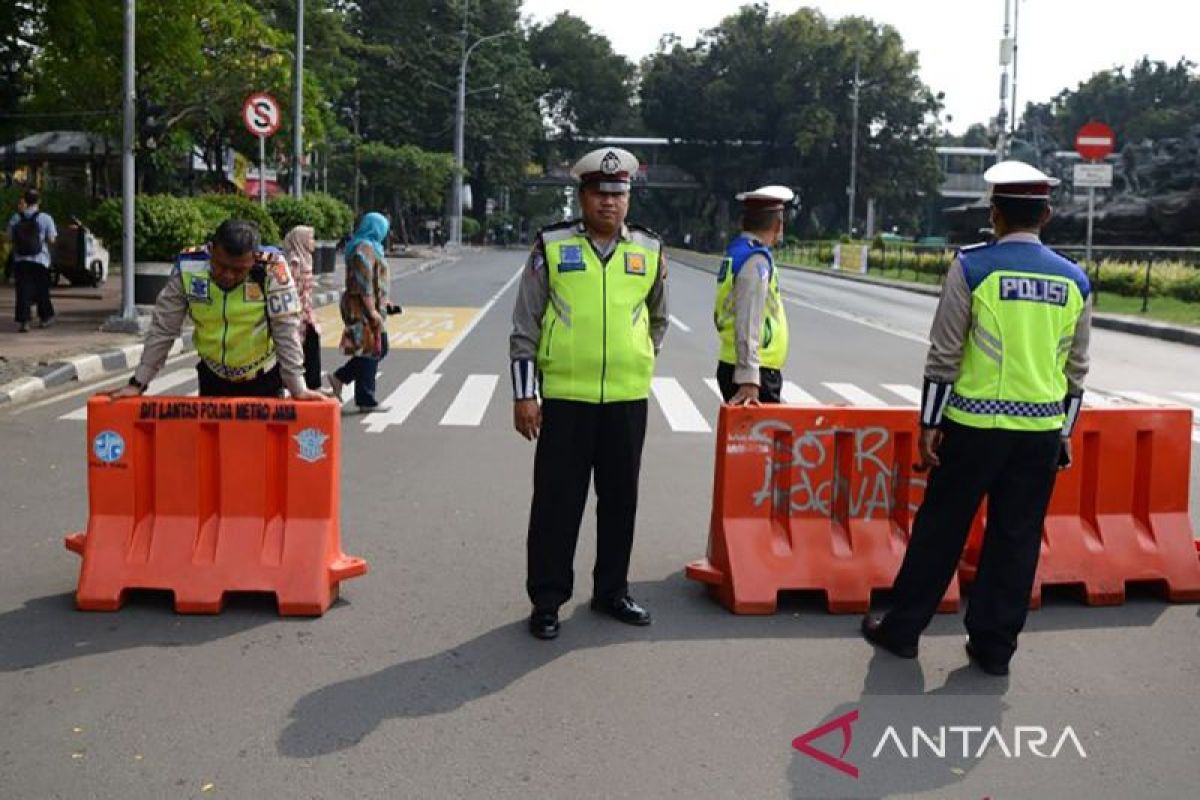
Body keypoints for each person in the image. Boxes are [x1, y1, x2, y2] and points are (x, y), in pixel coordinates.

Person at [861, 161, 1092, 677]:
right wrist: (1064, 431)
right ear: (1047, 215)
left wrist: (928, 423)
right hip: (1037, 434)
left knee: (941, 529)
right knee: (1015, 539)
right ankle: (993, 649)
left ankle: (902, 631)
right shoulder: (1075, 280)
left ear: (994, 214)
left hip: (971, 428)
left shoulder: (973, 268)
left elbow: (944, 354)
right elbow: (1076, 368)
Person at [509, 147, 669, 640]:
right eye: (600, 193)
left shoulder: (648, 250)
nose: (609, 203)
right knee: (557, 503)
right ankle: (548, 599)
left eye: (618, 194)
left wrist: (638, 356)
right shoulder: (551, 247)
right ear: (581, 196)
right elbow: (524, 326)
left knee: (621, 501)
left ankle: (612, 591)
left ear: (628, 199)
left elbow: (659, 320)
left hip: (626, 399)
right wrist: (524, 395)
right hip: (566, 398)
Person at [110, 219, 324, 400]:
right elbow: (163, 329)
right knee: (211, 448)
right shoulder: (189, 267)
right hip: (213, 378)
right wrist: (138, 383)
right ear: (211, 250)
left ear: (253, 259)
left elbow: (285, 330)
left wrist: (298, 388)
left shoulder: (272, 269)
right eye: (221, 266)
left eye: (239, 270)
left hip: (263, 381)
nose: (228, 275)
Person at [713, 185, 795, 405]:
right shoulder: (755, 259)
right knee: (761, 438)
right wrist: (749, 378)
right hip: (754, 372)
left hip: (737, 364)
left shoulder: (738, 251)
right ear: (778, 225)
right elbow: (748, 319)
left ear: (743, 222)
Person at [328, 212, 392, 413]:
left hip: (370, 305)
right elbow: (364, 284)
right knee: (372, 350)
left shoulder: (371, 247)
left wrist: (384, 302)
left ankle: (341, 378)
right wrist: (372, 310)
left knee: (374, 349)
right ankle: (365, 399)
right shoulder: (364, 248)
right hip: (362, 307)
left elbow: (375, 281)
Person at [8, 188, 58, 332]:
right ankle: (45, 317)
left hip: (20, 260)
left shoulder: (16, 217)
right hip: (40, 259)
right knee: (42, 290)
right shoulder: (46, 218)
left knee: (22, 291)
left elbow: (9, 237)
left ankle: (24, 321)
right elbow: (51, 239)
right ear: (39, 201)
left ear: (25, 200)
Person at [282, 225, 323, 390]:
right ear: (300, 240)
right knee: (296, 350)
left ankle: (312, 385)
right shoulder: (294, 261)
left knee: (311, 345)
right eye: (310, 238)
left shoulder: (306, 258)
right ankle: (297, 386)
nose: (313, 242)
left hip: (306, 313)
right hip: (295, 313)